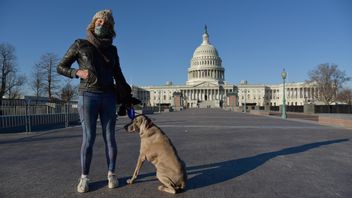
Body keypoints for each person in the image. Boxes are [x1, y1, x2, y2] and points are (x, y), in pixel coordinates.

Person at [57, 9, 131, 193]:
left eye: (105, 23)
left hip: (108, 96)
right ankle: (84, 177)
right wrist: (76, 72)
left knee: (110, 138)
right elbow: (61, 66)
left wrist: (126, 94)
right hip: (87, 95)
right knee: (88, 138)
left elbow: (118, 73)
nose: (101, 24)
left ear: (110, 27)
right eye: (99, 21)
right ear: (93, 23)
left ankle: (111, 174)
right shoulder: (80, 44)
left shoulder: (112, 49)